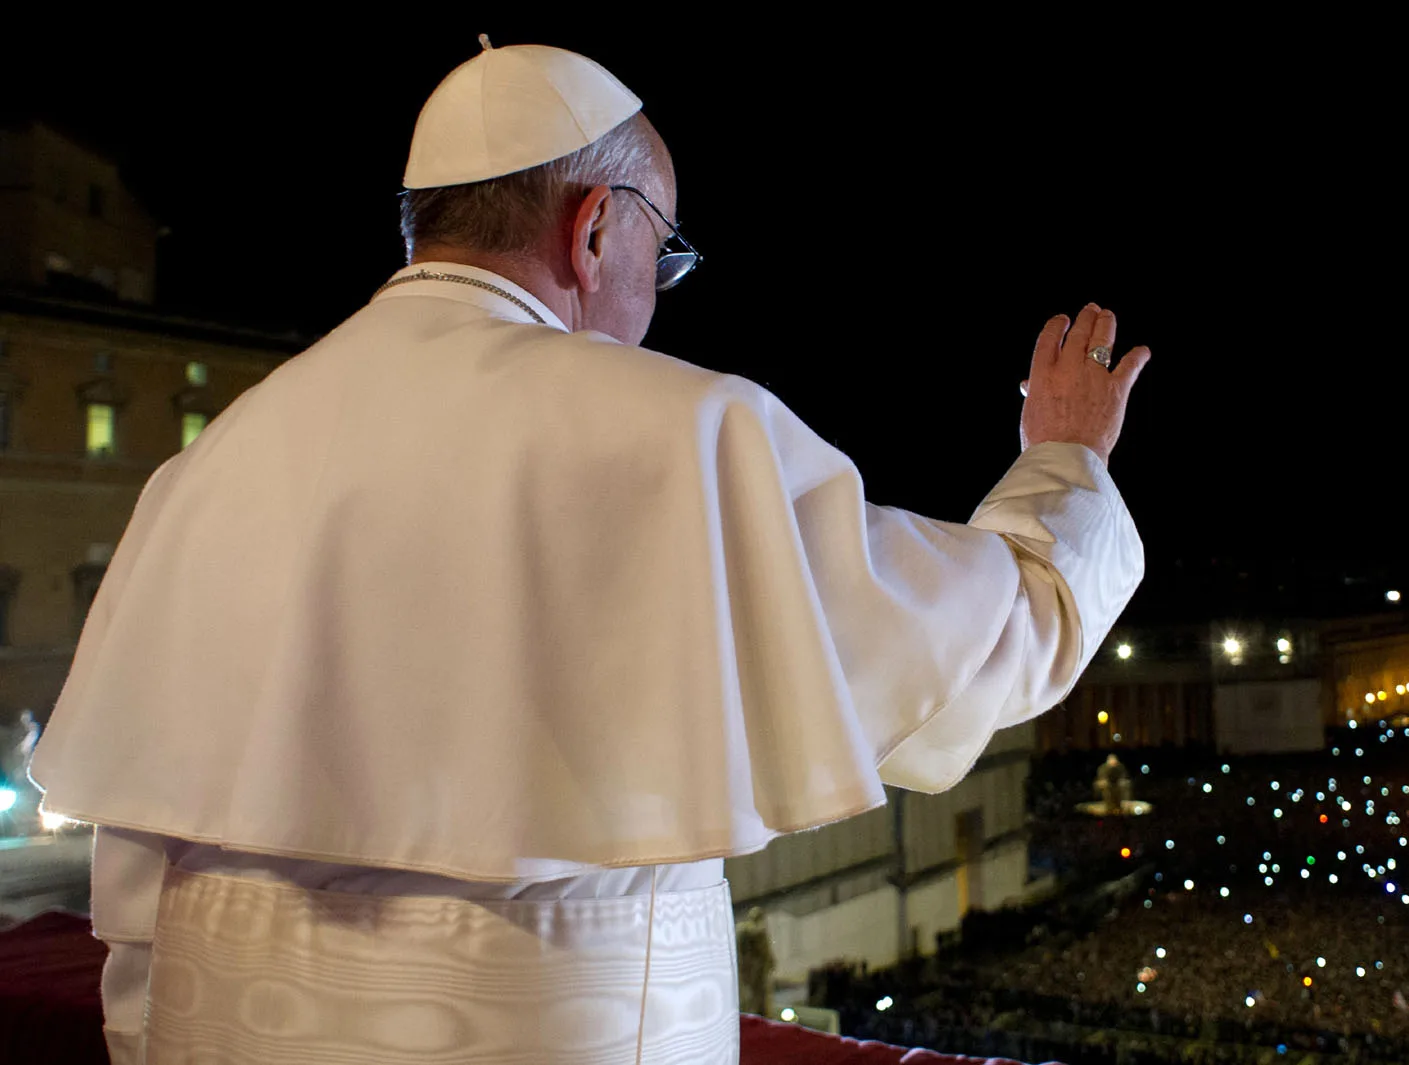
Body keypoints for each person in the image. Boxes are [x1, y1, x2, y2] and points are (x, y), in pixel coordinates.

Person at [28, 37, 1150, 1064]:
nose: (652, 300)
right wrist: (1064, 462)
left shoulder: (215, 457)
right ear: (596, 226)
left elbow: (140, 898)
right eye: (660, 256)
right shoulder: (683, 432)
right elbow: (987, 642)